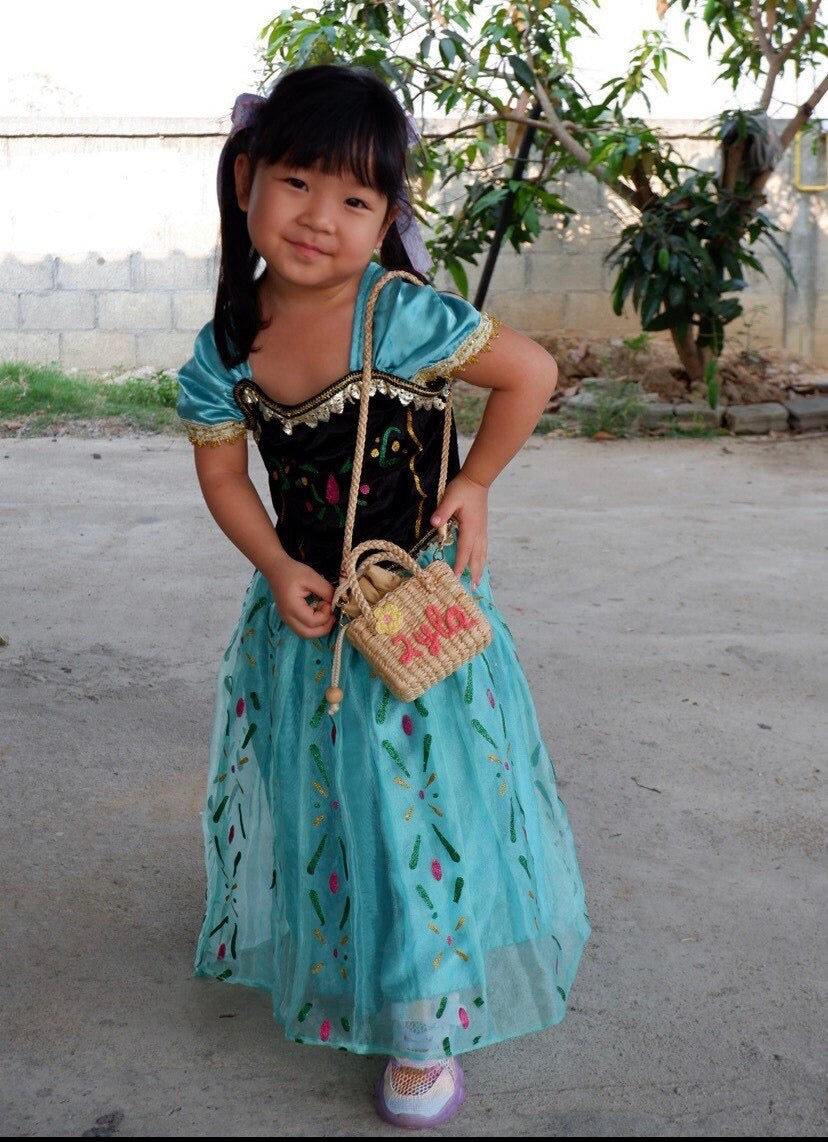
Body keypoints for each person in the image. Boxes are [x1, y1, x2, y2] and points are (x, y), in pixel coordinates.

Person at [177, 62, 590, 1130]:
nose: (320, 217)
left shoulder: (402, 317)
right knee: (337, 803)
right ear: (246, 183)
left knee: (420, 804)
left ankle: (425, 1021)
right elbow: (225, 473)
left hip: (417, 623)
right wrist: (274, 565)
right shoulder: (227, 344)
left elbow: (530, 372)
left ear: (387, 219)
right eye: (298, 181)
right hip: (306, 628)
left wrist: (474, 483)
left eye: (355, 199)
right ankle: (367, 949)